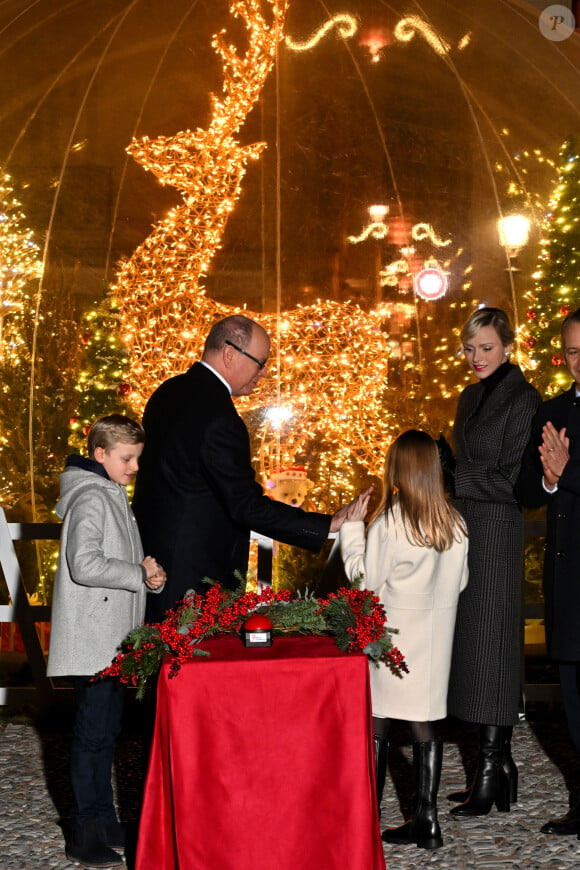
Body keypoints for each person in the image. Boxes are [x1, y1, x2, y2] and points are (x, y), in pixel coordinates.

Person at [133, 314, 366, 621]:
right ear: (230, 353)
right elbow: (245, 505)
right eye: (260, 362)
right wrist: (326, 525)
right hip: (195, 582)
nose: (265, 372)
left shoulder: (167, 392)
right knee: (190, 669)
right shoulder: (219, 417)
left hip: (154, 563)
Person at [47, 414, 167, 868]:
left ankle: (102, 817)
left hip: (112, 638)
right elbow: (85, 564)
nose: (135, 466)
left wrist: (147, 575)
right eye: (127, 458)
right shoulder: (93, 497)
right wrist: (137, 573)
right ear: (100, 455)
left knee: (106, 732)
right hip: (96, 638)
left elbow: (115, 563)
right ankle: (83, 829)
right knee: (92, 736)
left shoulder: (110, 493)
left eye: (137, 457)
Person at [340, 430, 469, 850]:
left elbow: (365, 584)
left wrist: (353, 532)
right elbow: (462, 581)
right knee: (424, 725)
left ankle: (368, 817)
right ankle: (427, 819)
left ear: (398, 468)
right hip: (434, 641)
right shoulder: (454, 521)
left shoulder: (391, 522)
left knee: (377, 724)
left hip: (392, 639)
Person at [446, 306, 542, 817]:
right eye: (469, 348)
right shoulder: (470, 396)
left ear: (507, 345)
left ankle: (491, 769)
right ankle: (497, 765)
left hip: (499, 533)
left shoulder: (525, 399)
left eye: (485, 347)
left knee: (494, 649)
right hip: (468, 531)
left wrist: (455, 475)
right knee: (473, 649)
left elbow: (511, 481)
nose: (476, 357)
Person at [515, 306, 580, 836]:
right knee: (574, 697)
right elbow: (526, 489)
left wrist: (568, 470)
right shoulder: (553, 412)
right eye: (574, 351)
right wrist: (551, 480)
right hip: (568, 577)